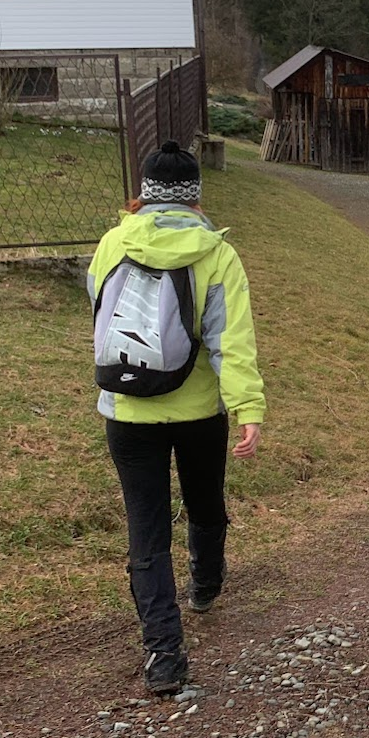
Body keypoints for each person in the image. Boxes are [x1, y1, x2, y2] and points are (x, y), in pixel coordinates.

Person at [86, 141, 266, 695]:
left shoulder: (113, 243)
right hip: (197, 411)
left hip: (127, 410)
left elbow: (99, 308)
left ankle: (164, 655)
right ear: (194, 196)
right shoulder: (216, 253)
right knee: (205, 500)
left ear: (144, 191)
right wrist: (247, 408)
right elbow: (229, 342)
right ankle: (206, 585)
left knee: (147, 530)